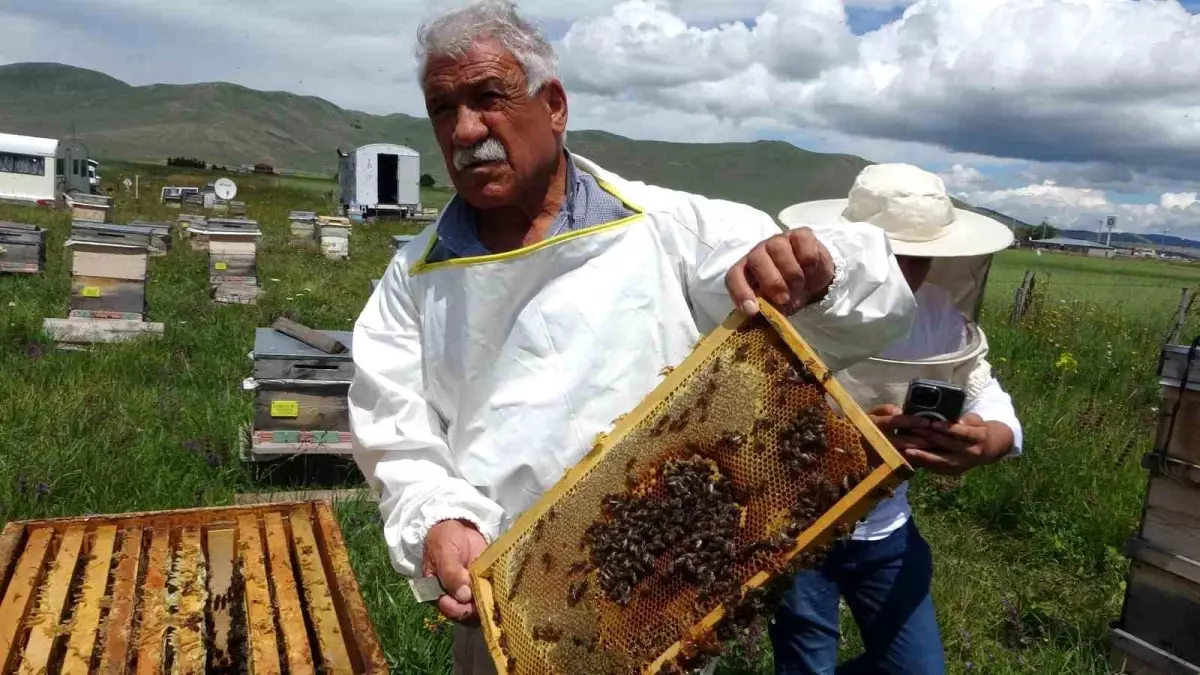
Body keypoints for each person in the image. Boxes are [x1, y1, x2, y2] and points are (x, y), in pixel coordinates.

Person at [348, 2, 916, 672]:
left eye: (488, 98)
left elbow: (871, 302)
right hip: (508, 615)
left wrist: (819, 269)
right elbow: (395, 433)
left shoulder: (671, 229)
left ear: (553, 104)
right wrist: (440, 517)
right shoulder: (411, 278)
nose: (466, 129)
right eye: (443, 109)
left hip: (663, 605)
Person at [771, 163, 1024, 674]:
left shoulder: (941, 316)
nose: (908, 271)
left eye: (922, 258)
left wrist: (991, 438)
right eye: (894, 255)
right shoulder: (796, 305)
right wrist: (847, 438)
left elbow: (984, 389)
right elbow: (747, 420)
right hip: (797, 526)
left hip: (887, 532)